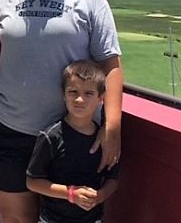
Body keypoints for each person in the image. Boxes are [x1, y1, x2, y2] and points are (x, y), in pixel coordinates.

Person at [0, 0, 123, 223]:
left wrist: (112, 127)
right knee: (15, 218)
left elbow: (110, 61)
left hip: (72, 134)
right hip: (13, 127)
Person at [26, 60, 119, 223]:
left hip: (92, 219)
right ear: (63, 95)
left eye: (88, 93)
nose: (79, 100)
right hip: (52, 219)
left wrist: (100, 196)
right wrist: (70, 194)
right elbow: (32, 181)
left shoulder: (104, 141)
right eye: (73, 92)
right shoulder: (51, 137)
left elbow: (112, 178)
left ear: (101, 98)